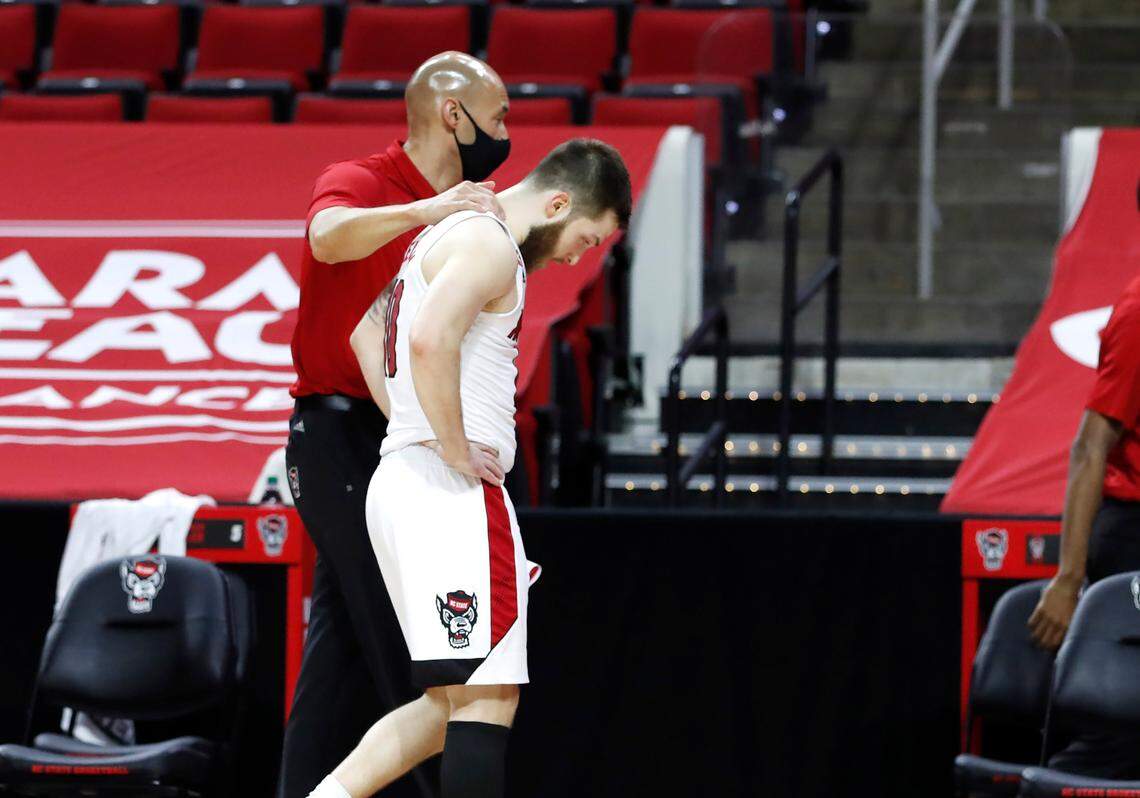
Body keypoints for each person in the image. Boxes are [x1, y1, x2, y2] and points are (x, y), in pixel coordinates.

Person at [304, 139, 632, 798]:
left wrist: (416, 429)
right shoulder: (488, 245)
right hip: (446, 491)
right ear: (558, 202)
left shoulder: (445, 236)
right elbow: (428, 340)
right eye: (586, 238)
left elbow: (369, 335)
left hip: (401, 482)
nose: (577, 257)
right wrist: (450, 445)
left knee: (443, 709)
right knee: (488, 701)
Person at [280, 51, 513, 798]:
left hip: (387, 437)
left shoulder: (473, 211)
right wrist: (421, 213)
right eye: (499, 115)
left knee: (343, 650)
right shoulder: (365, 180)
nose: (507, 131)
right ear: (455, 115)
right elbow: (326, 236)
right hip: (341, 435)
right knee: (418, 656)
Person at [1028, 272, 1140, 777]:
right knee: (1123, 740)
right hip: (1133, 539)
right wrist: (1069, 579)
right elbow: (1090, 445)